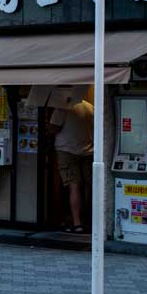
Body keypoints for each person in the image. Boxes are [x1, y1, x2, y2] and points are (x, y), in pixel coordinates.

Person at [48, 92, 95, 233]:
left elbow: (53, 128)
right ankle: (91, 220)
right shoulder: (90, 107)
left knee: (73, 186)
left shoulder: (63, 107)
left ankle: (76, 223)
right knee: (88, 187)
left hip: (67, 150)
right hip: (88, 150)